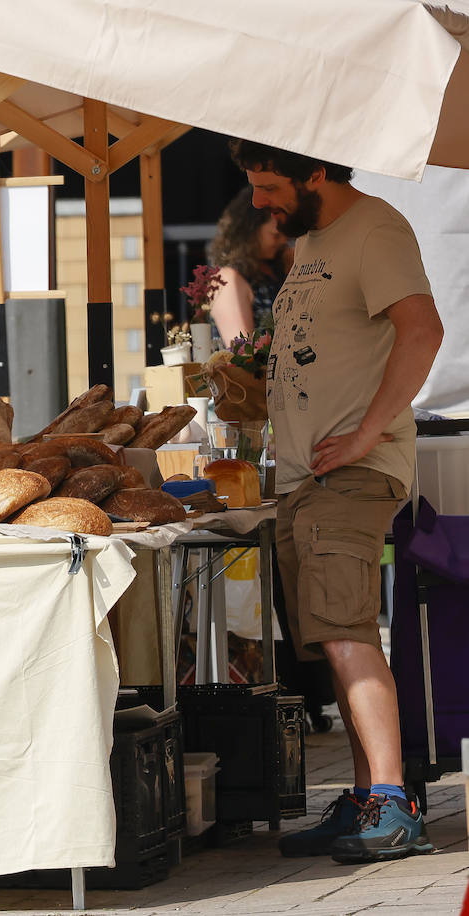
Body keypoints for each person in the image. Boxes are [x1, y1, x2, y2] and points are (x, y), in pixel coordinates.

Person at [230, 139, 444, 863]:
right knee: (331, 635)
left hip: (351, 474)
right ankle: (362, 799)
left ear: (315, 172)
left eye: (268, 186)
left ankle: (393, 803)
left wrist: (366, 433)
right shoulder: (314, 238)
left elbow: (424, 331)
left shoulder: (375, 227)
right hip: (304, 478)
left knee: (349, 633)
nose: (258, 202)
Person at [207, 186, 292, 344]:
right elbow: (241, 349)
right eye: (275, 235)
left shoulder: (277, 266)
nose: (283, 241)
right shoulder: (227, 279)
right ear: (251, 231)